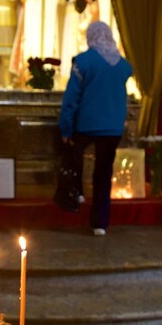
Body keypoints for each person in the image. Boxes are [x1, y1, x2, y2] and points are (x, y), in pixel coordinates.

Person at [56, 21, 133, 236]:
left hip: (87, 123)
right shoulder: (123, 64)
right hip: (113, 127)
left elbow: (72, 98)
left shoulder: (83, 61)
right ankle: (100, 223)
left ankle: (77, 192)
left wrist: (65, 128)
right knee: (103, 172)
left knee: (73, 153)